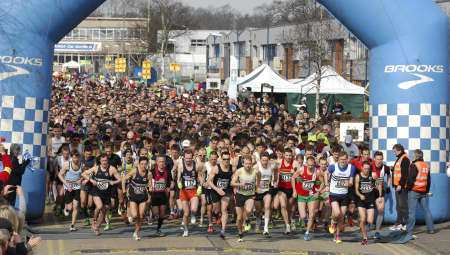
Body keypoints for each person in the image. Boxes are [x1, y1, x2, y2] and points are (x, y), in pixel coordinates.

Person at [393, 149, 434, 244]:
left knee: (411, 212)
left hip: (414, 191)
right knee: (426, 210)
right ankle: (431, 229)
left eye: (413, 155)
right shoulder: (426, 165)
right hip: (423, 191)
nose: (412, 156)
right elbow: (428, 180)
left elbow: (411, 179)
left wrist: (407, 189)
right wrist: (426, 191)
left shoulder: (414, 165)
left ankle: (409, 232)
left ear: (416, 156)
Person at [82, 153, 122, 235]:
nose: (104, 162)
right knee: (100, 206)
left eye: (106, 160)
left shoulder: (112, 169)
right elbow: (83, 174)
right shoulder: (96, 168)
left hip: (106, 193)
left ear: (108, 161)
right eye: (103, 160)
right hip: (96, 192)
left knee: (104, 212)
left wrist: (113, 182)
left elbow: (120, 179)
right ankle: (94, 221)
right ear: (100, 161)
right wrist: (91, 180)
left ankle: (96, 227)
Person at [326, 151, 356, 244]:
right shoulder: (333, 166)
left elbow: (351, 181)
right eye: (341, 159)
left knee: (341, 217)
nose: (343, 161)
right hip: (334, 194)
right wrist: (327, 184)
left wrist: (349, 183)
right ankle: (332, 221)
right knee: (337, 213)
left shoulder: (351, 168)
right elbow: (325, 173)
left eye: (345, 159)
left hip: (344, 195)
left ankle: (337, 236)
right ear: (338, 159)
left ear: (347, 159)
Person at [292, 156, 324, 241]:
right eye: (309, 165)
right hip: (301, 195)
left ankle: (307, 233)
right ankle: (303, 221)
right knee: (302, 216)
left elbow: (322, 182)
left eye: (312, 165)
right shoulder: (302, 170)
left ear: (314, 164)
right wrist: (294, 191)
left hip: (311, 196)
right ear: (306, 164)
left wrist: (318, 192)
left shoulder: (317, 172)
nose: (310, 167)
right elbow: (293, 178)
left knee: (312, 214)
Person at [122, 156, 151, 241]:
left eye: (145, 164)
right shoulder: (135, 171)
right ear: (139, 164)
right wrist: (124, 191)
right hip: (133, 197)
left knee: (141, 215)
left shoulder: (149, 174)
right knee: (135, 215)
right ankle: (135, 225)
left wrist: (150, 195)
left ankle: (137, 232)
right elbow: (124, 179)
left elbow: (150, 186)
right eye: (142, 164)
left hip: (143, 197)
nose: (143, 166)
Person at [231, 156, 259, 242]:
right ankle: (240, 232)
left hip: (250, 195)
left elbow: (258, 180)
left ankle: (247, 220)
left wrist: (256, 190)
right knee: (239, 218)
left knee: (249, 210)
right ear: (243, 164)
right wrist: (240, 184)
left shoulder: (256, 171)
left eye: (249, 164)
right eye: (246, 164)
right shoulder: (239, 171)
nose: (248, 165)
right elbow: (232, 183)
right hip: (240, 194)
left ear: (252, 164)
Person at [207, 151, 234, 239]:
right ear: (221, 159)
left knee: (224, 209)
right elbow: (209, 182)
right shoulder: (216, 168)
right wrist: (217, 189)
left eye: (228, 159)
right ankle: (217, 216)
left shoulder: (232, 168)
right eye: (224, 159)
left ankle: (223, 230)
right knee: (216, 210)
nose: (226, 161)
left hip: (226, 191)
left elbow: (235, 179)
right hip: (215, 190)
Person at [176, 150, 203, 237]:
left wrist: (200, 186)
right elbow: (178, 178)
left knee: (194, 209)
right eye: (186, 158)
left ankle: (193, 214)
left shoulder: (196, 166)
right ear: (184, 158)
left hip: (193, 191)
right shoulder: (181, 166)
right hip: (184, 192)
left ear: (192, 158)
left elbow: (200, 177)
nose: (188, 160)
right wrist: (178, 183)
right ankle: (186, 229)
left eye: (190, 158)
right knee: (186, 213)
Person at [355, 161, 379, 245]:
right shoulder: (358, 176)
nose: (366, 170)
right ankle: (365, 237)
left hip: (370, 200)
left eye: (368, 169)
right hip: (361, 200)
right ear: (362, 168)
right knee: (363, 219)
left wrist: (379, 196)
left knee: (370, 221)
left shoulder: (373, 175)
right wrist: (360, 195)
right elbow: (356, 190)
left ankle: (362, 225)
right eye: (365, 168)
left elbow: (378, 184)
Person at [58, 150, 83, 231]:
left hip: (77, 187)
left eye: (77, 157)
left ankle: (72, 225)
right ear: (71, 157)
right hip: (68, 186)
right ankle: (66, 208)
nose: (76, 159)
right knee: (70, 207)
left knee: (76, 206)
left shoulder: (81, 165)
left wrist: (81, 179)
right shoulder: (67, 165)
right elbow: (60, 175)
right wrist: (66, 183)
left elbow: (86, 173)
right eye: (74, 158)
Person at [254, 152, 276, 237]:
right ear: (260, 160)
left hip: (267, 189)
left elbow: (277, 169)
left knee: (267, 207)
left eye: (266, 160)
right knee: (258, 210)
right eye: (263, 160)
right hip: (258, 190)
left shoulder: (272, 165)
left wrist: (275, 179)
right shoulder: (256, 166)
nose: (265, 162)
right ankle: (258, 221)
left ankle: (266, 228)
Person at [275, 148, 297, 235]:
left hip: (291, 189)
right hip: (282, 188)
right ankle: (287, 225)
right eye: (287, 155)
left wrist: (294, 172)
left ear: (292, 156)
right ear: (284, 155)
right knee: (283, 206)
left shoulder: (294, 163)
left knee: (289, 208)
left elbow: (299, 175)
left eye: (290, 156)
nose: (288, 157)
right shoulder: (279, 162)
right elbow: (272, 168)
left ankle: (291, 220)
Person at [151, 155, 173, 236]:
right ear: (157, 162)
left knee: (162, 214)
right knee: (156, 214)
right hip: (154, 194)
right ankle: (151, 214)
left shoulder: (167, 171)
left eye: (163, 161)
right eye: (160, 161)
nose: (161, 163)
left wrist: (169, 187)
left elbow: (172, 182)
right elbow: (148, 182)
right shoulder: (152, 171)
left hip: (163, 194)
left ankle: (159, 229)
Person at [372, 151, 391, 239]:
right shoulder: (369, 166)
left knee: (380, 210)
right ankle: (367, 225)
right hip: (369, 191)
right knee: (368, 212)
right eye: (377, 159)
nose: (379, 161)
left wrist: (388, 186)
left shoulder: (385, 168)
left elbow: (389, 176)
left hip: (380, 191)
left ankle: (377, 231)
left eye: (380, 159)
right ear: (374, 159)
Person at [391, 144, 410, 231]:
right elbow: (399, 170)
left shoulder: (404, 159)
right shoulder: (400, 158)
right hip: (397, 185)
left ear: (399, 150)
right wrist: (392, 169)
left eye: (394, 151)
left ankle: (406, 224)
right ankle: (399, 223)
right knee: (399, 206)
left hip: (401, 187)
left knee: (403, 206)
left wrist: (400, 185)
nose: (394, 153)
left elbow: (405, 174)